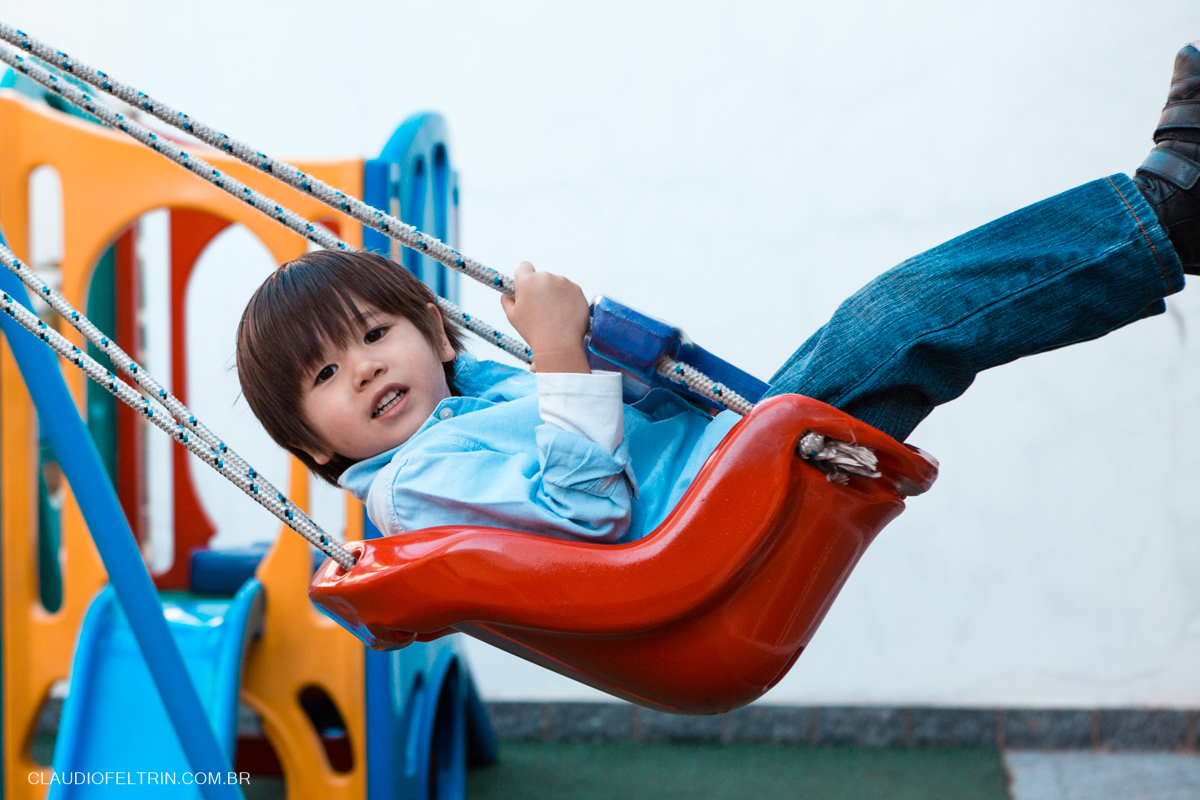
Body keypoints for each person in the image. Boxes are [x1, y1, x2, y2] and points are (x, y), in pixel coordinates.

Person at [236, 43, 1200, 545]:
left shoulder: (464, 403)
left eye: (373, 334)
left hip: (726, 473)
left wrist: (562, 336)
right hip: (717, 512)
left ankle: (1160, 213)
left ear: (434, 333)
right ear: (315, 443)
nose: (363, 366)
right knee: (899, 320)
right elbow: (586, 513)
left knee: (901, 320)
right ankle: (1165, 211)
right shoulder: (416, 484)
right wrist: (563, 356)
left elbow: (515, 394)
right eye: (326, 371)